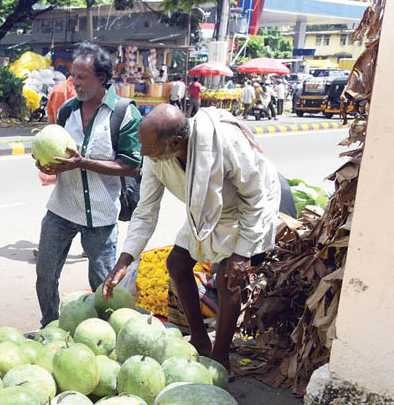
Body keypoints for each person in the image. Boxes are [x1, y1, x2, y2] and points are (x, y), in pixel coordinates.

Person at [103, 104, 281, 375]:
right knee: (176, 263)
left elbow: (256, 197)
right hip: (207, 210)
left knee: (228, 278)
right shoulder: (156, 157)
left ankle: (220, 357)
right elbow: (146, 210)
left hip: (246, 210)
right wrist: (126, 258)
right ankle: (199, 339)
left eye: (148, 147)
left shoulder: (225, 141)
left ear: (175, 142)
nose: (142, 153)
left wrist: (242, 254)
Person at [33, 42, 143, 328]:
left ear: (102, 79)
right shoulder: (67, 111)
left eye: (82, 77)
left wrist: (83, 163)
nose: (75, 83)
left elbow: (132, 166)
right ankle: (50, 326)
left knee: (104, 284)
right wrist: (46, 164)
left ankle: (105, 332)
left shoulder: (124, 113)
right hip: (62, 209)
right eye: (73, 75)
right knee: (45, 275)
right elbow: (57, 155)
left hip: (102, 215)